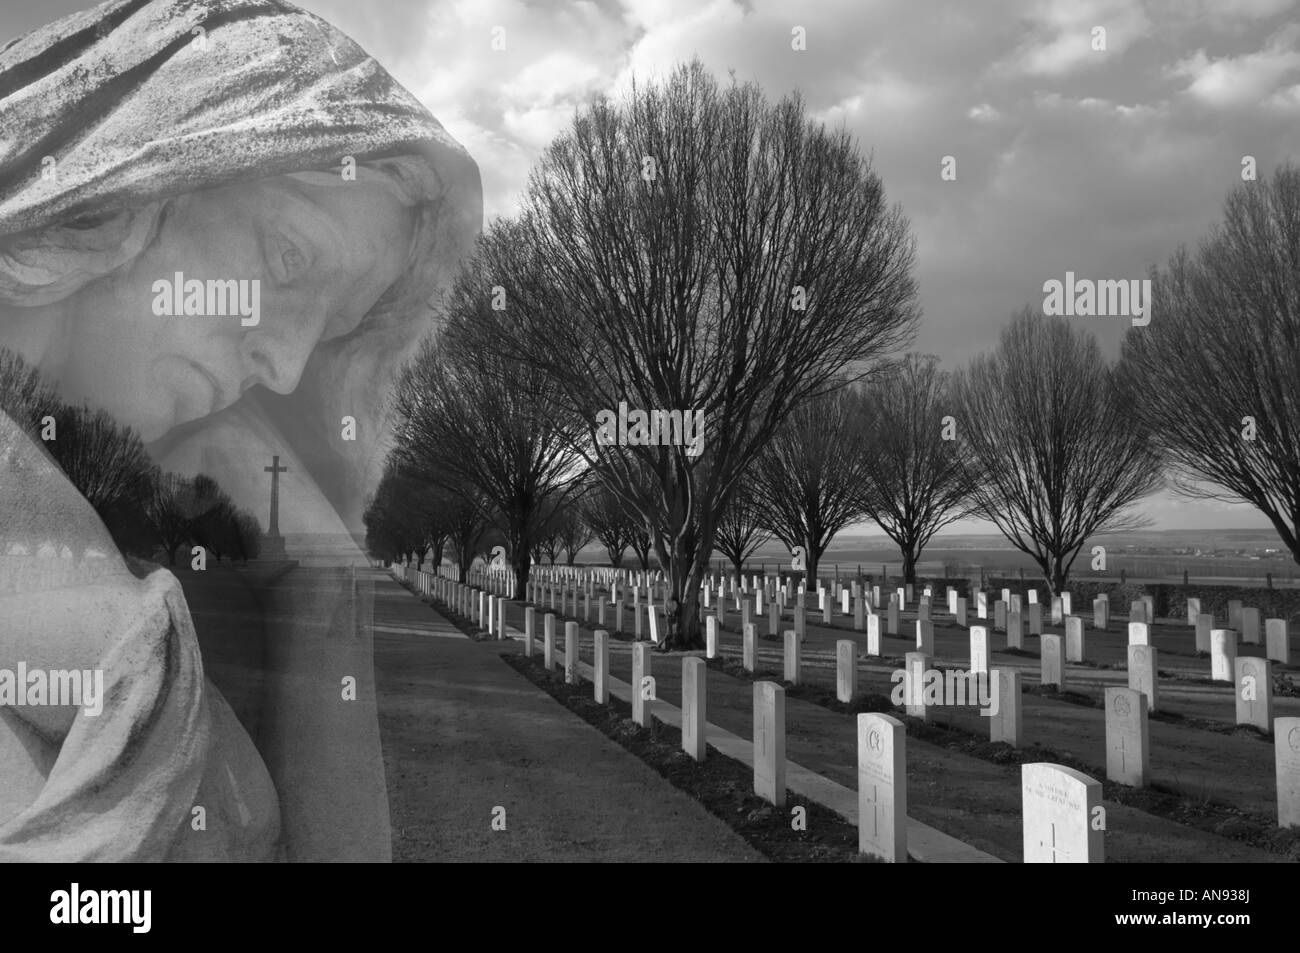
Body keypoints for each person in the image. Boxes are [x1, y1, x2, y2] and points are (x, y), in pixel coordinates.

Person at [0, 0, 482, 861]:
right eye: (288, 259)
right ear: (135, 179)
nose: (289, 369)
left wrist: (325, 585)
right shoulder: (115, 628)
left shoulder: (133, 575)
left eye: (331, 331)